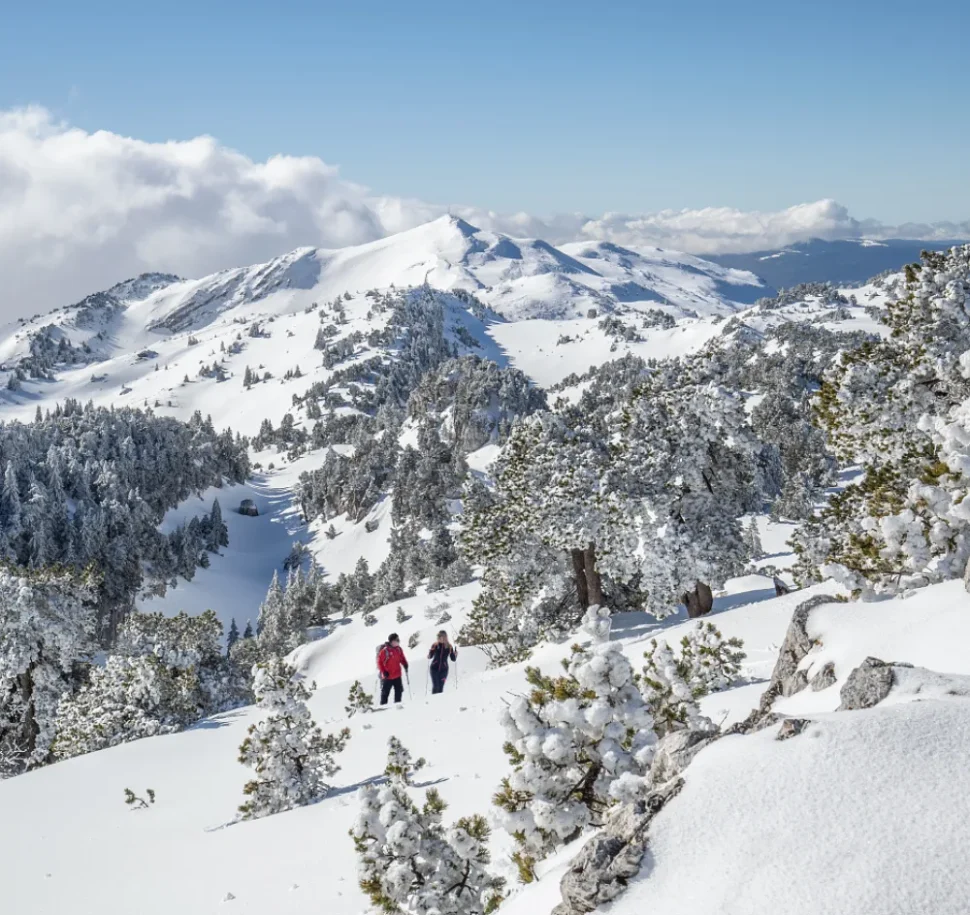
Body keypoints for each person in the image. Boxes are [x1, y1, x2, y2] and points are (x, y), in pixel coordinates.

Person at [377, 633, 409, 705]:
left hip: (397, 675)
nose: (398, 641)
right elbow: (380, 662)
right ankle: (383, 706)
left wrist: (405, 664)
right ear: (392, 641)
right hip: (388, 676)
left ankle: (397, 704)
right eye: (397, 640)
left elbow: (402, 658)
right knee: (385, 692)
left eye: (398, 640)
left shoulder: (399, 649)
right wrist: (384, 671)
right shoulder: (385, 651)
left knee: (399, 690)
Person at [427, 630, 457, 694]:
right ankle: (433, 702)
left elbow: (453, 659)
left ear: (444, 637)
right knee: (436, 687)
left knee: (440, 688)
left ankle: (439, 703)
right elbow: (430, 656)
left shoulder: (449, 646)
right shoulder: (435, 645)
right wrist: (430, 653)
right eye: (438, 637)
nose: (438, 638)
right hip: (434, 669)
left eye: (440, 637)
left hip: (444, 670)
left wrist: (455, 655)